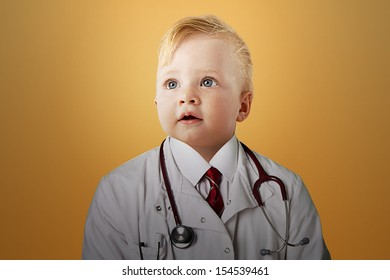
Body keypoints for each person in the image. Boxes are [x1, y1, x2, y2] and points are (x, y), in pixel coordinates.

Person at [82, 15, 331, 260]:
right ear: (156, 102)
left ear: (242, 106)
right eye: (171, 84)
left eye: (208, 81)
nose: (186, 96)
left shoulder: (287, 191)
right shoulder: (118, 192)